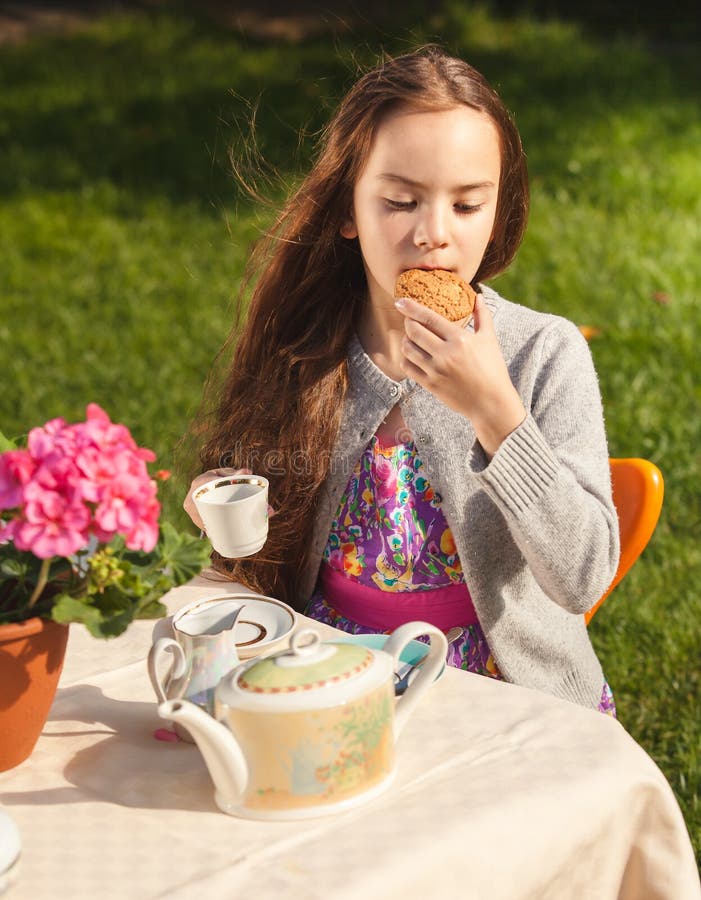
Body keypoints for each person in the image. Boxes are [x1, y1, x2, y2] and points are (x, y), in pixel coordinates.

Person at [184, 46, 620, 714]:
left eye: (467, 205)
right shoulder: (305, 350)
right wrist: (223, 510)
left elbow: (581, 578)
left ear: (498, 212)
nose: (434, 234)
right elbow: (258, 557)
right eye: (400, 201)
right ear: (347, 210)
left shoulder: (542, 354)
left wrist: (497, 414)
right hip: (334, 674)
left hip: (503, 695)